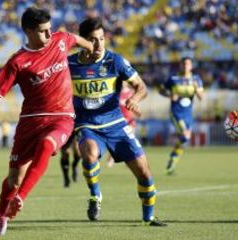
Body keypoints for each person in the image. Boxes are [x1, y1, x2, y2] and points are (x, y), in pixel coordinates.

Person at [0, 7, 93, 235]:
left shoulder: (59, 40)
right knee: (13, 180)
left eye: (50, 29)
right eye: (43, 31)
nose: (49, 35)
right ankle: (2, 213)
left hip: (62, 117)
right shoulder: (18, 62)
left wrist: (91, 48)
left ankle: (20, 198)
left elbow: (75, 38)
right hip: (30, 122)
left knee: (47, 144)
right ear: (28, 31)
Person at [68, 17, 166, 226]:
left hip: (116, 124)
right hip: (88, 125)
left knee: (144, 171)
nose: (99, 44)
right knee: (90, 153)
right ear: (82, 41)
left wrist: (134, 99)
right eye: (93, 40)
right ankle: (96, 196)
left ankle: (148, 218)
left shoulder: (115, 61)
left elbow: (142, 87)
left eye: (102, 39)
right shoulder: (70, 65)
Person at [159, 57, 203, 175]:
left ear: (191, 66)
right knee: (185, 135)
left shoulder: (196, 79)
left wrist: (196, 89)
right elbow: (161, 90)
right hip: (176, 112)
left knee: (185, 140)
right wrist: (169, 95)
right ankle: (172, 160)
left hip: (188, 114)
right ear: (180, 65)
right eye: (183, 64)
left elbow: (201, 97)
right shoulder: (173, 79)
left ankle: (172, 161)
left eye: (188, 64)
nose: (185, 66)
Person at [106, 82, 137, 167]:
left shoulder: (131, 93)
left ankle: (131, 160)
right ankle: (111, 159)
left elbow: (134, 106)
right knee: (115, 141)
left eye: (124, 81)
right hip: (118, 120)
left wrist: (136, 112)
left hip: (130, 120)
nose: (123, 83)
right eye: (121, 81)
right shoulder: (116, 93)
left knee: (130, 141)